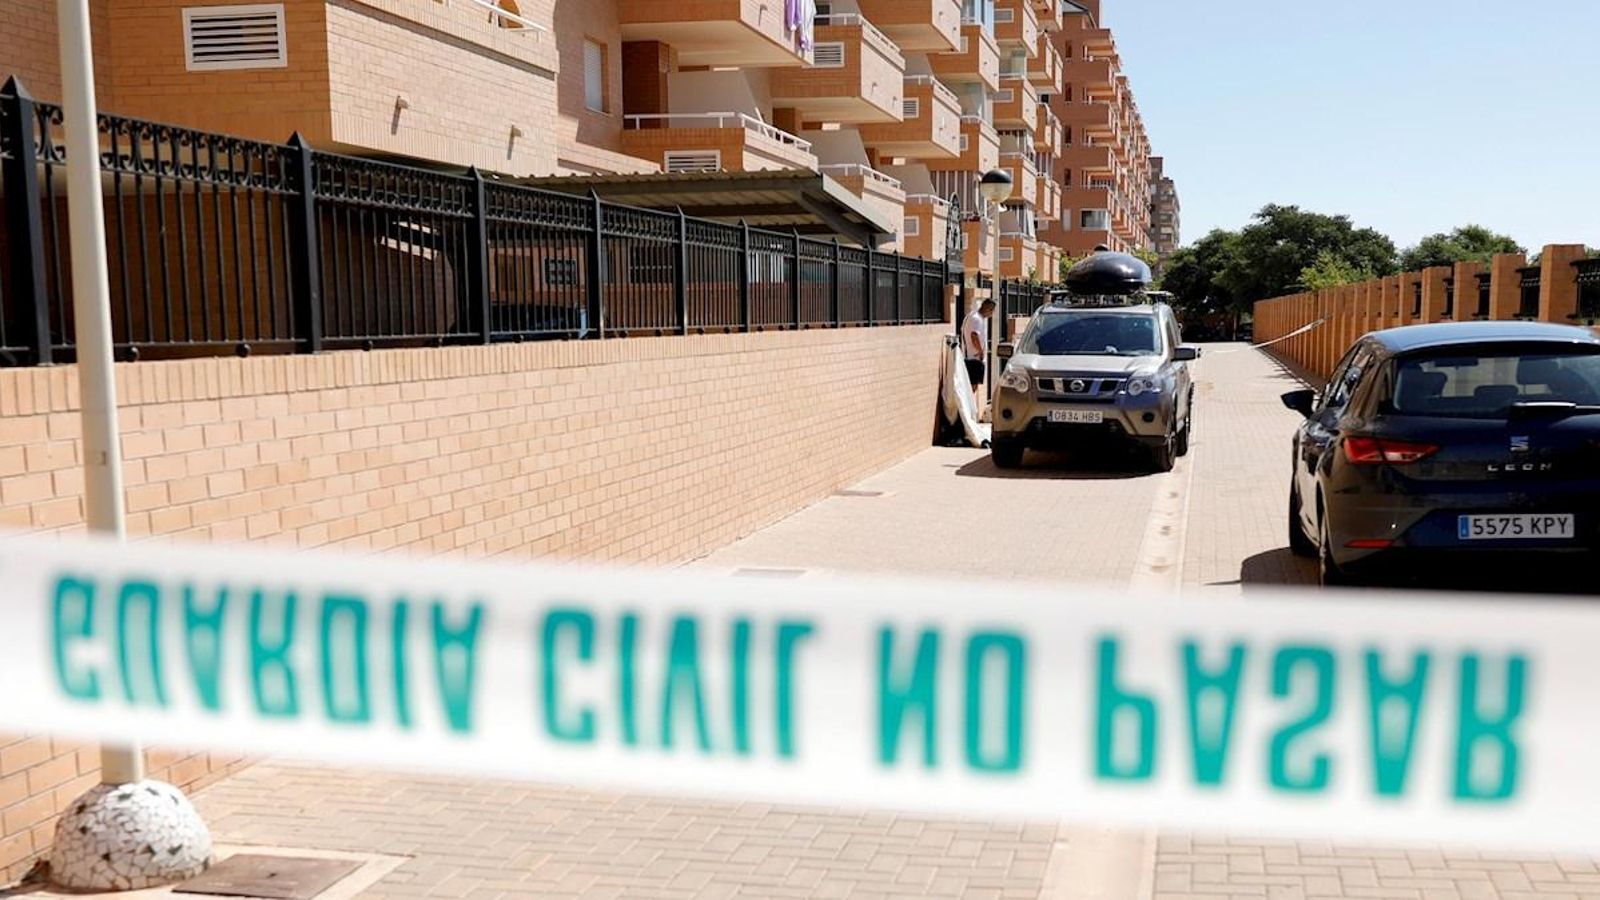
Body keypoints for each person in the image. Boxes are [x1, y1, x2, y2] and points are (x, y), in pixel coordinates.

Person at [961, 299, 997, 416]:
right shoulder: (976, 319)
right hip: (973, 358)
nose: (991, 314)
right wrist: (980, 352)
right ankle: (967, 413)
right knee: (971, 387)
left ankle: (968, 412)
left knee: (972, 387)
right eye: (991, 311)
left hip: (972, 358)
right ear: (987, 308)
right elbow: (974, 335)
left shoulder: (973, 317)